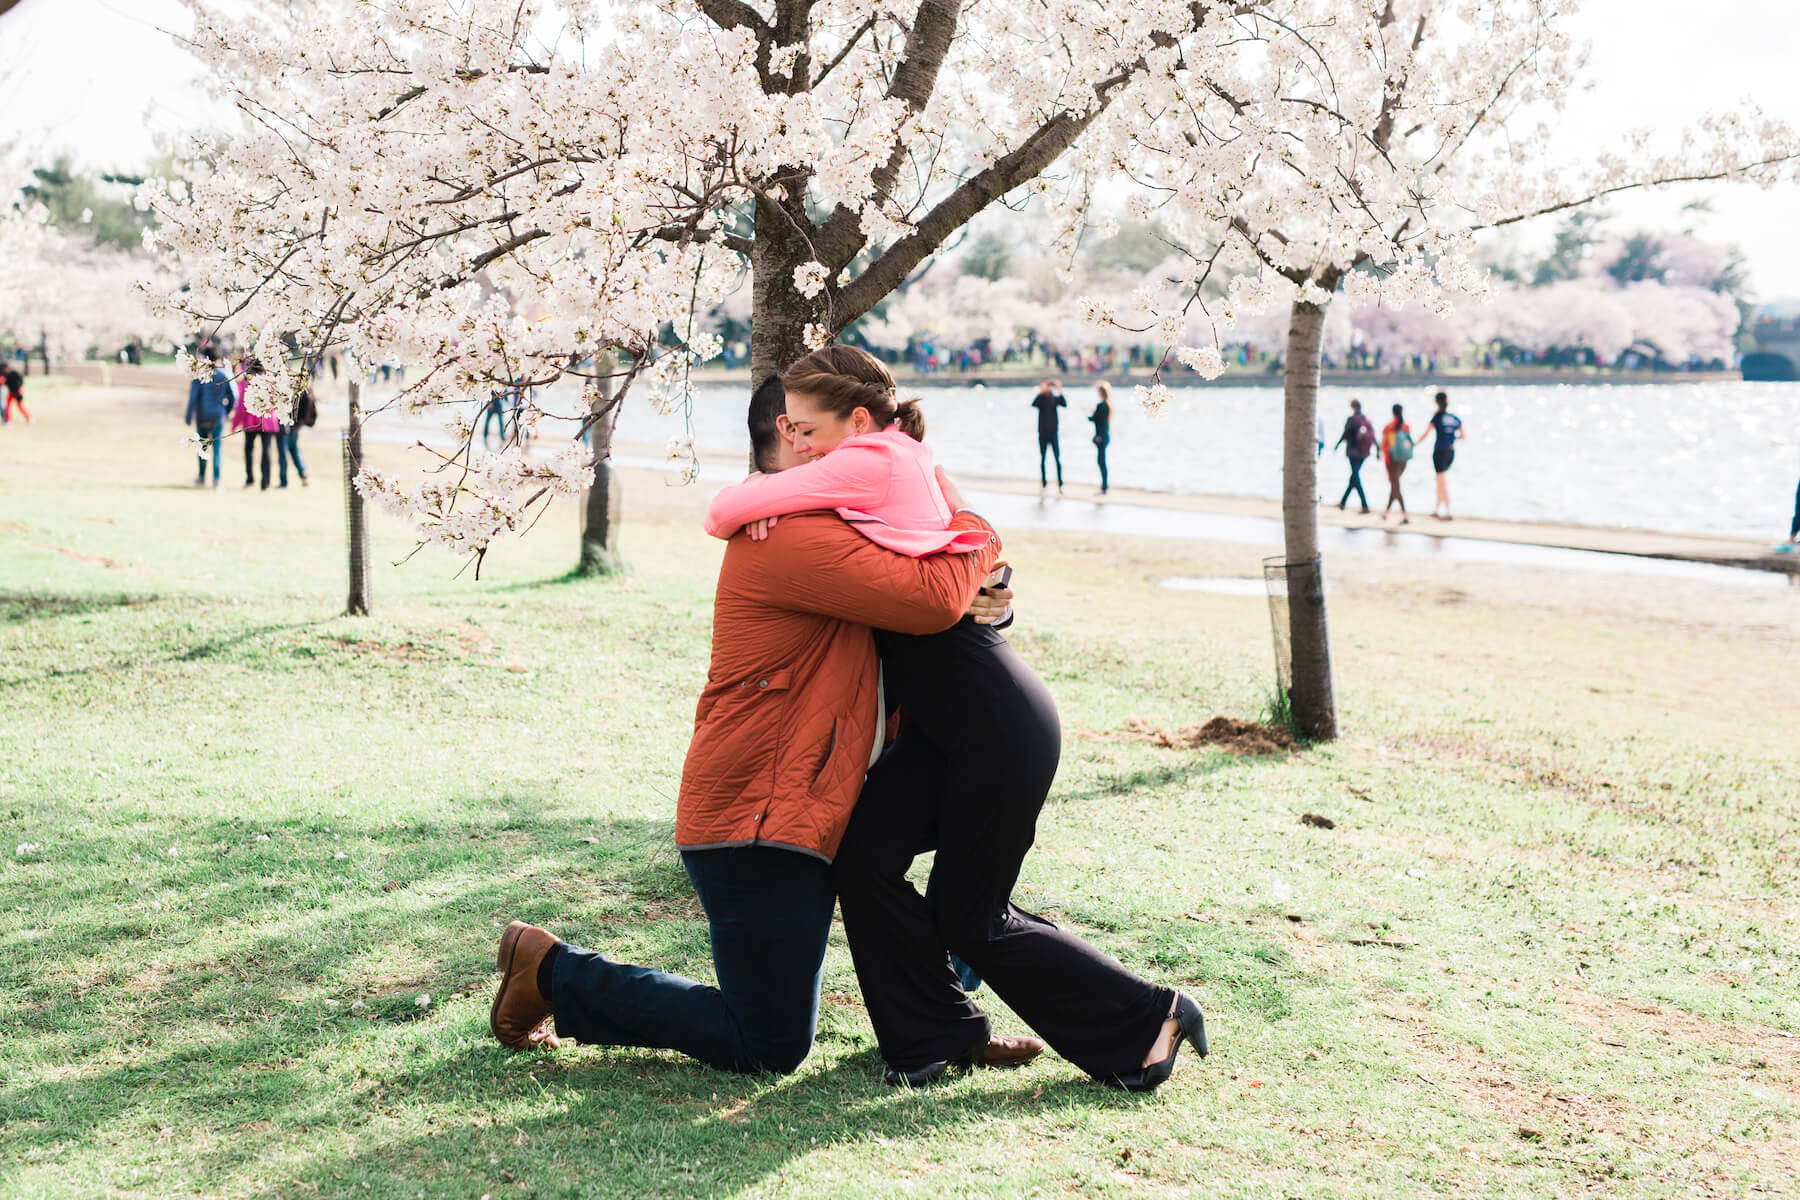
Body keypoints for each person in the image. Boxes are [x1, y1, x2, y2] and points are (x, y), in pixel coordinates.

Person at [488, 374, 1036, 1077]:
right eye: (828, 440)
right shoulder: (789, 537)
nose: (868, 463)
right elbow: (931, 595)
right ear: (789, 435)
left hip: (820, 795)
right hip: (758, 817)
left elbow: (933, 581)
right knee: (769, 1041)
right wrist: (979, 528)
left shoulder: (840, 523)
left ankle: (940, 1025)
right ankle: (553, 974)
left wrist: (994, 593)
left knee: (956, 872)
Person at [728, 348, 1205, 1092]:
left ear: (850, 425)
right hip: (945, 730)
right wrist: (764, 501)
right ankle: (928, 1036)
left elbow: (958, 567)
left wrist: (990, 569)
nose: (806, 446)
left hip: (996, 725)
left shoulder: (897, 475)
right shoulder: (824, 504)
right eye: (795, 435)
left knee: (970, 917)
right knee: (865, 856)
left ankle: (1151, 1015)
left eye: (813, 429)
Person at [184, 349, 234, 488]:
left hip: (203, 415)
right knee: (217, 448)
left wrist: (189, 416)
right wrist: (226, 411)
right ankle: (217, 480)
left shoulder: (199, 377)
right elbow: (233, 397)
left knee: (202, 447)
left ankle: (201, 477)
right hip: (218, 416)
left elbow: (193, 397)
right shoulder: (223, 376)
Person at [232, 358, 280, 489]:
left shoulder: (247, 382)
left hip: (251, 421)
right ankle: (265, 482)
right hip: (268, 421)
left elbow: (241, 405)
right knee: (266, 450)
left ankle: (250, 479)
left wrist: (235, 423)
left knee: (249, 450)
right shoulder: (271, 382)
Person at [1421, 390, 1464, 520]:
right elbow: (1462, 436)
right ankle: (1437, 509)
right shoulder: (1454, 418)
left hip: (1439, 452)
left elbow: (1425, 434)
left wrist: (1415, 443)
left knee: (1441, 482)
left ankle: (1448, 511)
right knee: (1440, 482)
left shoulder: (1437, 417)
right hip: (1450, 452)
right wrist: (1452, 440)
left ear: (1437, 402)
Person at [1334, 398, 1375, 513]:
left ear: (1352, 407)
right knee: (1354, 477)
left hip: (1353, 452)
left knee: (1355, 477)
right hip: (1364, 453)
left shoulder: (1352, 420)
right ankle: (1343, 502)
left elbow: (1345, 433)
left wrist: (1337, 445)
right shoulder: (1366, 419)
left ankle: (1364, 505)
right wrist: (1377, 450)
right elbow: (1373, 436)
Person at [1380, 402, 1413, 524]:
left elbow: (1383, 444)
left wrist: (1380, 455)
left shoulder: (1389, 427)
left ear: (1393, 413)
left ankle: (1405, 514)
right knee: (1395, 485)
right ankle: (1386, 512)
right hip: (1403, 460)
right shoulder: (1406, 426)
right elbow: (1408, 443)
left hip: (1392, 460)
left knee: (1396, 486)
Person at [279, 376, 316, 487]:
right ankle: (302, 471)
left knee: (283, 452)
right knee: (294, 450)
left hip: (288, 424)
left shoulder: (295, 393)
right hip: (297, 425)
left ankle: (284, 480)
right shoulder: (308, 393)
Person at [1031, 378, 1066, 493]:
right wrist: (1042, 391)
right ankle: (1044, 482)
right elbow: (1033, 404)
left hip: (1053, 433)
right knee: (1043, 459)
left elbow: (1064, 403)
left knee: (1057, 459)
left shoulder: (1054, 398)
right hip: (1042, 433)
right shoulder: (1041, 399)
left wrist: (1059, 389)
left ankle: (1060, 483)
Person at [1089, 382, 1112, 495]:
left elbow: (1094, 419)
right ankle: (1104, 485)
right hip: (1106, 436)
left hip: (1101, 437)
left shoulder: (1101, 405)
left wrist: (1090, 414)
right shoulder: (1108, 405)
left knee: (1101, 462)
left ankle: (1104, 486)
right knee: (1102, 461)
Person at [2, 360, 27, 424]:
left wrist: (18, 388)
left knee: (20, 406)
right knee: (8, 406)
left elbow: (21, 381)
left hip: (17, 391)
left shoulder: (14, 373)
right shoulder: (5, 375)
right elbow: (5, 383)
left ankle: (29, 418)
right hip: (11, 392)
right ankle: (9, 420)